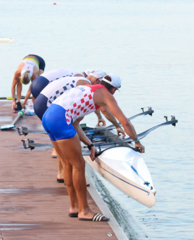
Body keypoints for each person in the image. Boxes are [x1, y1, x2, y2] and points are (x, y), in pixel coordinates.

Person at [41, 75, 143, 222]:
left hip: (48, 116)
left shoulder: (86, 88)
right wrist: (137, 141)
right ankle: (84, 211)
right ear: (113, 89)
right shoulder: (106, 95)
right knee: (78, 165)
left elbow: (75, 124)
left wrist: (90, 145)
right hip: (60, 120)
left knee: (68, 164)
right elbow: (125, 122)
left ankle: (75, 207)